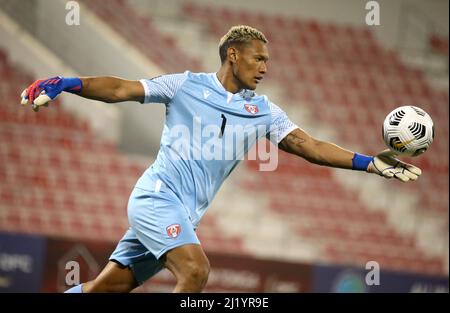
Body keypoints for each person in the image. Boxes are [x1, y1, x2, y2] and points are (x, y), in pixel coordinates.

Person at [21, 25, 422, 293]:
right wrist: (68, 83)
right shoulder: (184, 85)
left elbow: (308, 145)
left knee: (105, 288)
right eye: (258, 59)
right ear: (233, 55)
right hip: (156, 198)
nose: (265, 67)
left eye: (267, 61)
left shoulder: (264, 110)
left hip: (184, 215)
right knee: (196, 270)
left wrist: (369, 163)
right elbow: (121, 88)